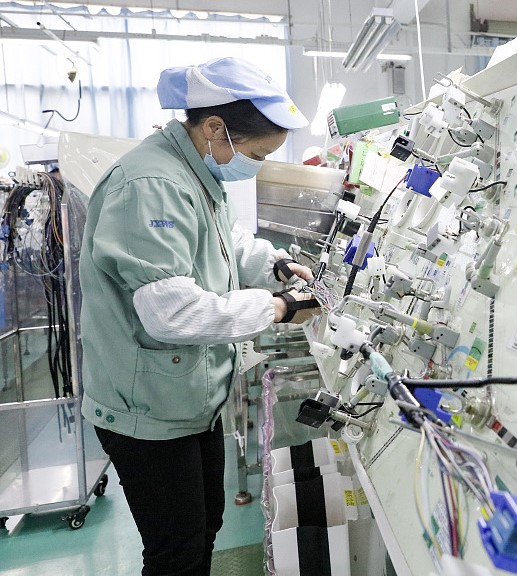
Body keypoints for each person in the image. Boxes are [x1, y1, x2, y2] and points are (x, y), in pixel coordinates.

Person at [79, 57, 320, 576]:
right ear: (215, 128)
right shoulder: (151, 183)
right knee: (177, 551)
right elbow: (171, 313)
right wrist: (276, 308)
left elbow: (223, 242)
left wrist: (274, 266)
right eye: (255, 154)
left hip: (189, 396)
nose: (253, 165)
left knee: (205, 525)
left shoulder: (193, 170)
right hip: (146, 407)